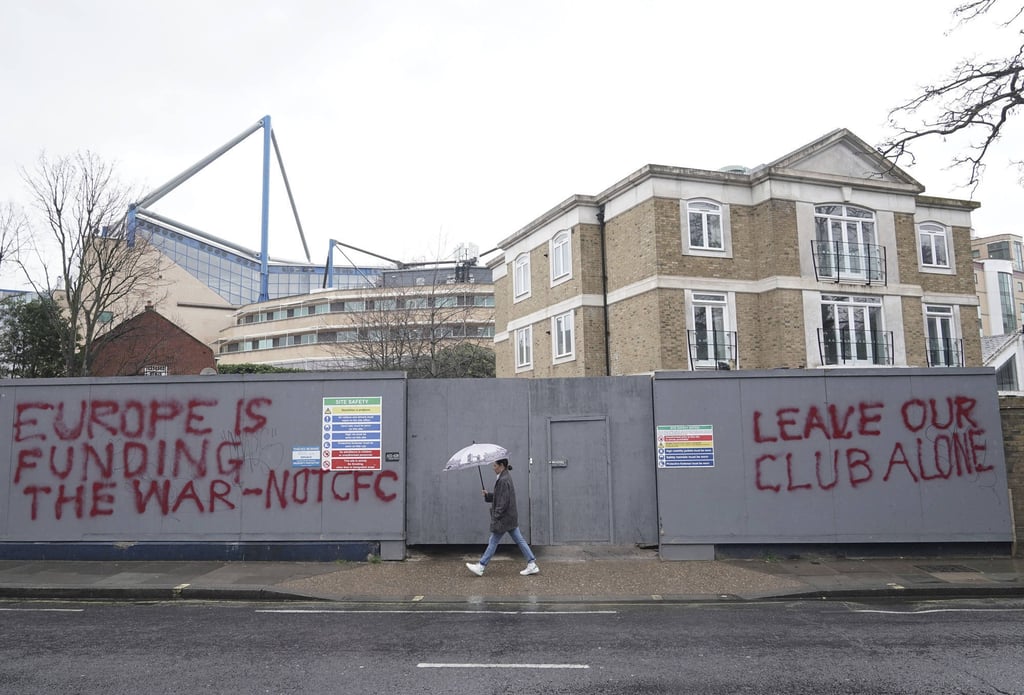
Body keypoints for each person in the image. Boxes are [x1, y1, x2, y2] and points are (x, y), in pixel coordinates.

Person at [465, 458, 539, 576]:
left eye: (495, 466)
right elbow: (500, 496)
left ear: (501, 465)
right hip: (509, 517)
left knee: (493, 541)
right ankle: (532, 563)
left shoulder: (503, 480)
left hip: (504, 518)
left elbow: (503, 502)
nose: (493, 468)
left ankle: (481, 566)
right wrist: (488, 495)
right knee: (518, 540)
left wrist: (496, 516)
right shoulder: (504, 477)